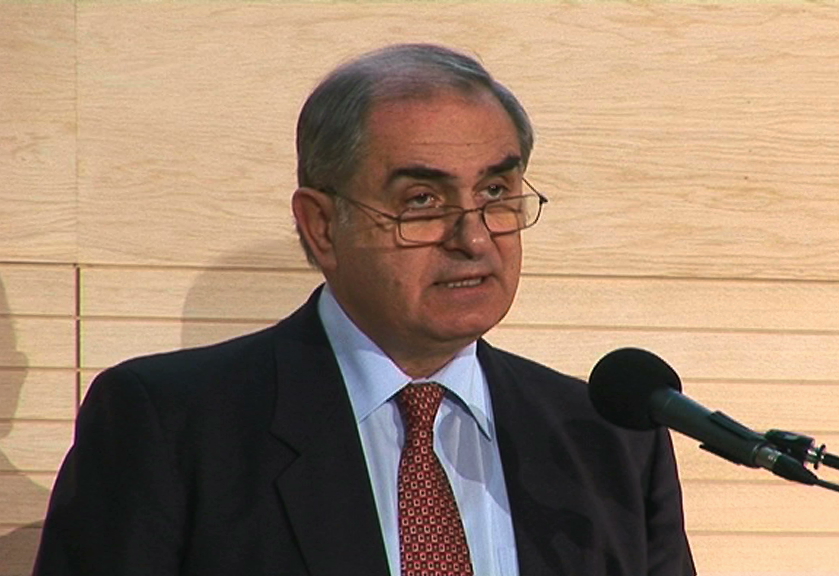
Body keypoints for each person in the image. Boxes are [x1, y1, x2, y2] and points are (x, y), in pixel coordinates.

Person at [33, 43, 697, 576]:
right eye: (421, 202)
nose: (473, 239)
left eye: (497, 191)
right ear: (322, 226)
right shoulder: (170, 425)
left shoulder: (608, 438)